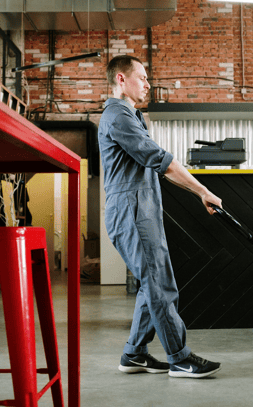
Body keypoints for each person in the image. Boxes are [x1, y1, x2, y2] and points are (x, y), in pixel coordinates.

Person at [98, 55, 223, 379]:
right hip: (132, 211)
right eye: (141, 77)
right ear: (121, 80)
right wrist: (202, 191)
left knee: (151, 284)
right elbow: (162, 162)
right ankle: (180, 358)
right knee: (159, 283)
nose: (148, 83)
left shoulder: (131, 116)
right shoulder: (118, 115)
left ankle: (135, 353)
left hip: (141, 210)